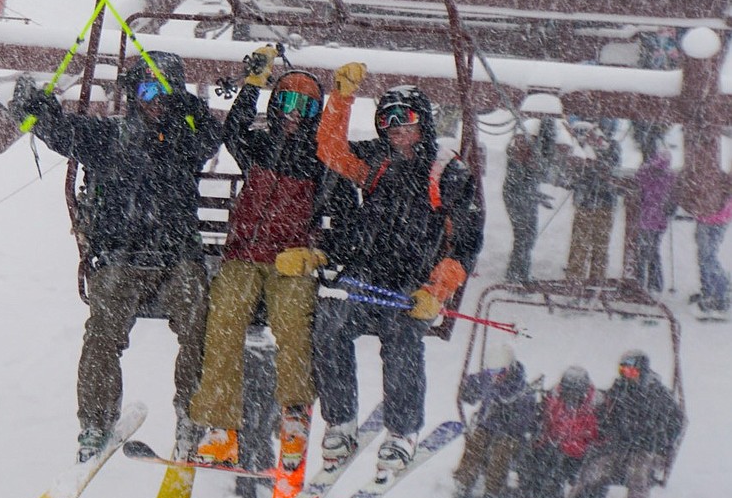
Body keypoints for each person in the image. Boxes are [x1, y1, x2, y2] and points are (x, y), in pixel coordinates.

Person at [9, 52, 222, 462]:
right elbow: (57, 131)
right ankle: (95, 421)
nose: (156, 100)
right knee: (103, 333)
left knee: (200, 327)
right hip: (121, 259)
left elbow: (213, 135)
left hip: (176, 258)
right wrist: (38, 109)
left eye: (166, 92)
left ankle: (193, 415)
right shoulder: (109, 138)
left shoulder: (185, 142)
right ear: (133, 94)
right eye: (147, 89)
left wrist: (189, 106)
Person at [313, 71, 485, 472]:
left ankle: (402, 430)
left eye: (404, 118)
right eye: (387, 121)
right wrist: (341, 98)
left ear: (421, 121)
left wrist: (437, 291)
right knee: (331, 327)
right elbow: (331, 149)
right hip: (368, 271)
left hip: (413, 281)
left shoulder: (447, 171)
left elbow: (466, 241)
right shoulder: (376, 160)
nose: (396, 129)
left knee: (402, 339)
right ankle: (341, 420)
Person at [189, 48, 328, 473]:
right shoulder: (259, 146)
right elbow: (233, 128)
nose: (292, 114)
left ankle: (294, 413)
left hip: (289, 260)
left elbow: (344, 204)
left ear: (315, 113)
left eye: (303, 107)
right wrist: (253, 84)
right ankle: (219, 424)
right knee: (223, 321)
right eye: (284, 102)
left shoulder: (322, 158)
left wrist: (315, 252)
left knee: (292, 324)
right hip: (244, 255)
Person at [556, 351, 683, 498]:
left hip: (647, 450)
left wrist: (658, 441)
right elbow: (605, 416)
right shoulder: (618, 391)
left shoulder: (658, 395)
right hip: (620, 447)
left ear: (642, 372)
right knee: (596, 468)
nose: (626, 376)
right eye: (622, 370)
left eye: (631, 372)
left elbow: (676, 422)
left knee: (638, 475)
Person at [437, 340, 538, 498]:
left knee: (501, 451)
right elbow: (473, 390)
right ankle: (463, 485)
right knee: (476, 443)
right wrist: (466, 389)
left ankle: (492, 493)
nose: (494, 378)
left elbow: (526, 422)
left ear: (510, 368)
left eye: (499, 373)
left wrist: (508, 418)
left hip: (510, 434)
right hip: (488, 426)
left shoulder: (522, 391)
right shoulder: (487, 378)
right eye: (491, 373)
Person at [513, 365, 599, 498]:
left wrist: (579, 445)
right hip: (553, 444)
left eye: (575, 393)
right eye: (568, 391)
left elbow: (595, 435)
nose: (571, 397)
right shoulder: (555, 399)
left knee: (559, 472)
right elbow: (545, 420)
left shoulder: (592, 407)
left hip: (577, 452)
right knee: (535, 464)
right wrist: (541, 438)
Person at [502, 106, 560, 286]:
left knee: (527, 236)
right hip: (517, 195)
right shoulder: (524, 146)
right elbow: (519, 178)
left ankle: (518, 273)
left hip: (523, 194)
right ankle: (517, 275)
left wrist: (537, 195)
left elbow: (532, 176)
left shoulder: (534, 147)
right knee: (524, 236)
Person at [563, 123, 620, 289]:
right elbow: (573, 174)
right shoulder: (581, 149)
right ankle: (574, 282)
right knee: (580, 246)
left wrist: (596, 160)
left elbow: (611, 167)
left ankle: (595, 283)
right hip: (586, 203)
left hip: (603, 204)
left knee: (599, 247)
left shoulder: (612, 147)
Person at [630, 136, 677, 294]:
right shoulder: (669, 176)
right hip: (657, 219)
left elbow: (637, 182)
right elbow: (674, 198)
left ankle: (643, 281)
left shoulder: (648, 172)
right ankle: (653, 283)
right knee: (651, 250)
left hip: (648, 217)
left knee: (645, 251)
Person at [690, 193, 732, 316]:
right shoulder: (721, 178)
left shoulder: (721, 178)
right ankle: (709, 291)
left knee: (708, 257)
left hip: (713, 218)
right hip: (714, 218)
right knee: (705, 257)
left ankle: (720, 292)